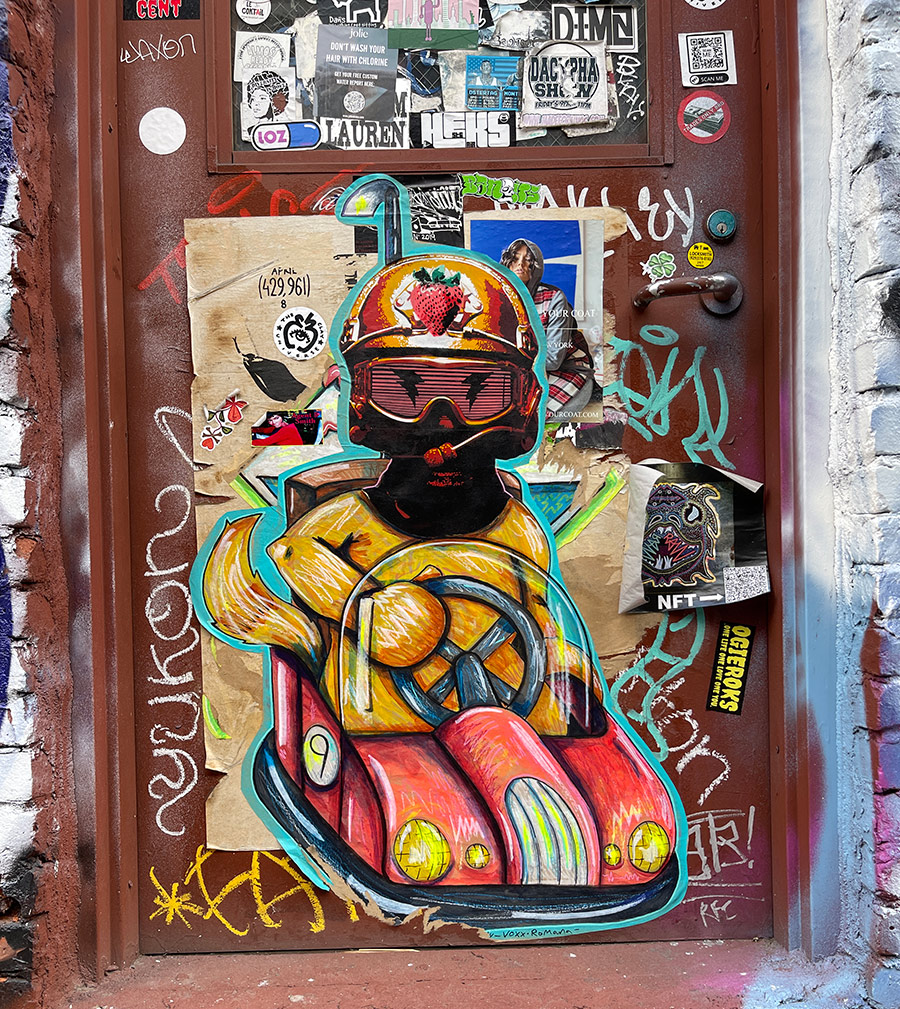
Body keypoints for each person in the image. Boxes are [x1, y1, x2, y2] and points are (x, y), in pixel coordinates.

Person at [500, 237, 595, 418]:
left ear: (535, 267)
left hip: (560, 371)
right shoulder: (497, 297)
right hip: (516, 371)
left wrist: (506, 360)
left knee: (531, 415)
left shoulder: (553, 298)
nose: (520, 264)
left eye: (528, 260)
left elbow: (553, 359)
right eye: (515, 258)